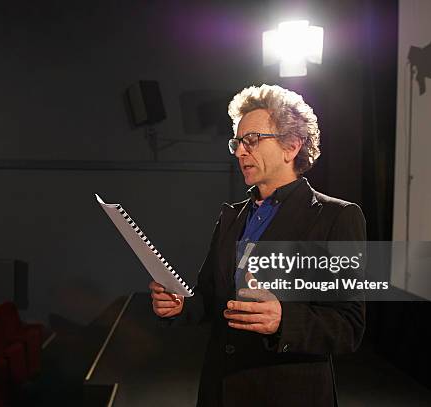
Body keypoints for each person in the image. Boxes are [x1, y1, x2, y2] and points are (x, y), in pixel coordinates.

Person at [149, 84, 366, 406]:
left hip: (287, 394)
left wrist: (283, 320)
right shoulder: (231, 217)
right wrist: (180, 306)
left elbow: (348, 326)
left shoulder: (337, 217)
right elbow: (209, 297)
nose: (239, 151)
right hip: (221, 390)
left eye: (251, 140)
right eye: (237, 142)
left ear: (291, 146)